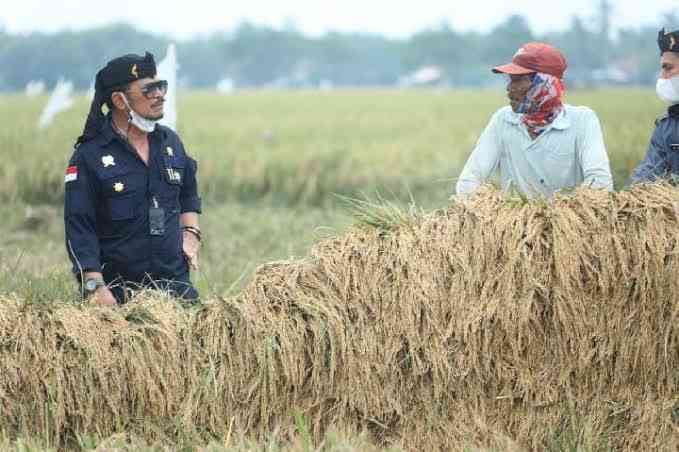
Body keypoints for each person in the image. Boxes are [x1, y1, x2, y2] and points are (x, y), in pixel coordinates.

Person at [64, 52, 202, 305]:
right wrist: (94, 287)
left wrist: (191, 232)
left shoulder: (169, 142)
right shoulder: (89, 156)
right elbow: (79, 230)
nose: (160, 95)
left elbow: (188, 191)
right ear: (119, 100)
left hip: (176, 289)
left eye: (161, 87)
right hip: (120, 295)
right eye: (149, 90)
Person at [455, 42, 613, 199]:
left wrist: (567, 217)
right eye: (510, 80)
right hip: (515, 222)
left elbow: (600, 184)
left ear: (545, 83)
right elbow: (469, 180)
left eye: (518, 80)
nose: (509, 88)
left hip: (568, 221)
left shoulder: (582, 121)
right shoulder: (503, 120)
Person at [627, 28, 679, 184]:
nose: (662, 77)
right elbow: (649, 172)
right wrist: (626, 197)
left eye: (668, 68)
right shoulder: (668, 126)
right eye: (662, 68)